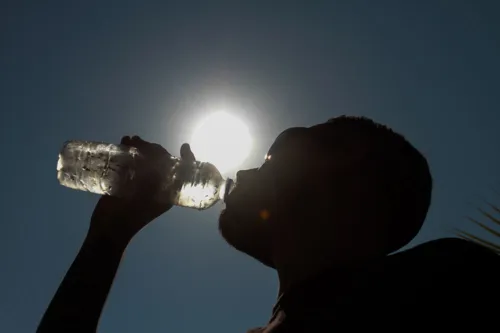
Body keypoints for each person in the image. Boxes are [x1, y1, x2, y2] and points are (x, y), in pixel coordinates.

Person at [37, 116, 500, 333]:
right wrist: (109, 236)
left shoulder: (453, 283)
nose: (242, 173)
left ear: (346, 160)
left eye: (273, 154)